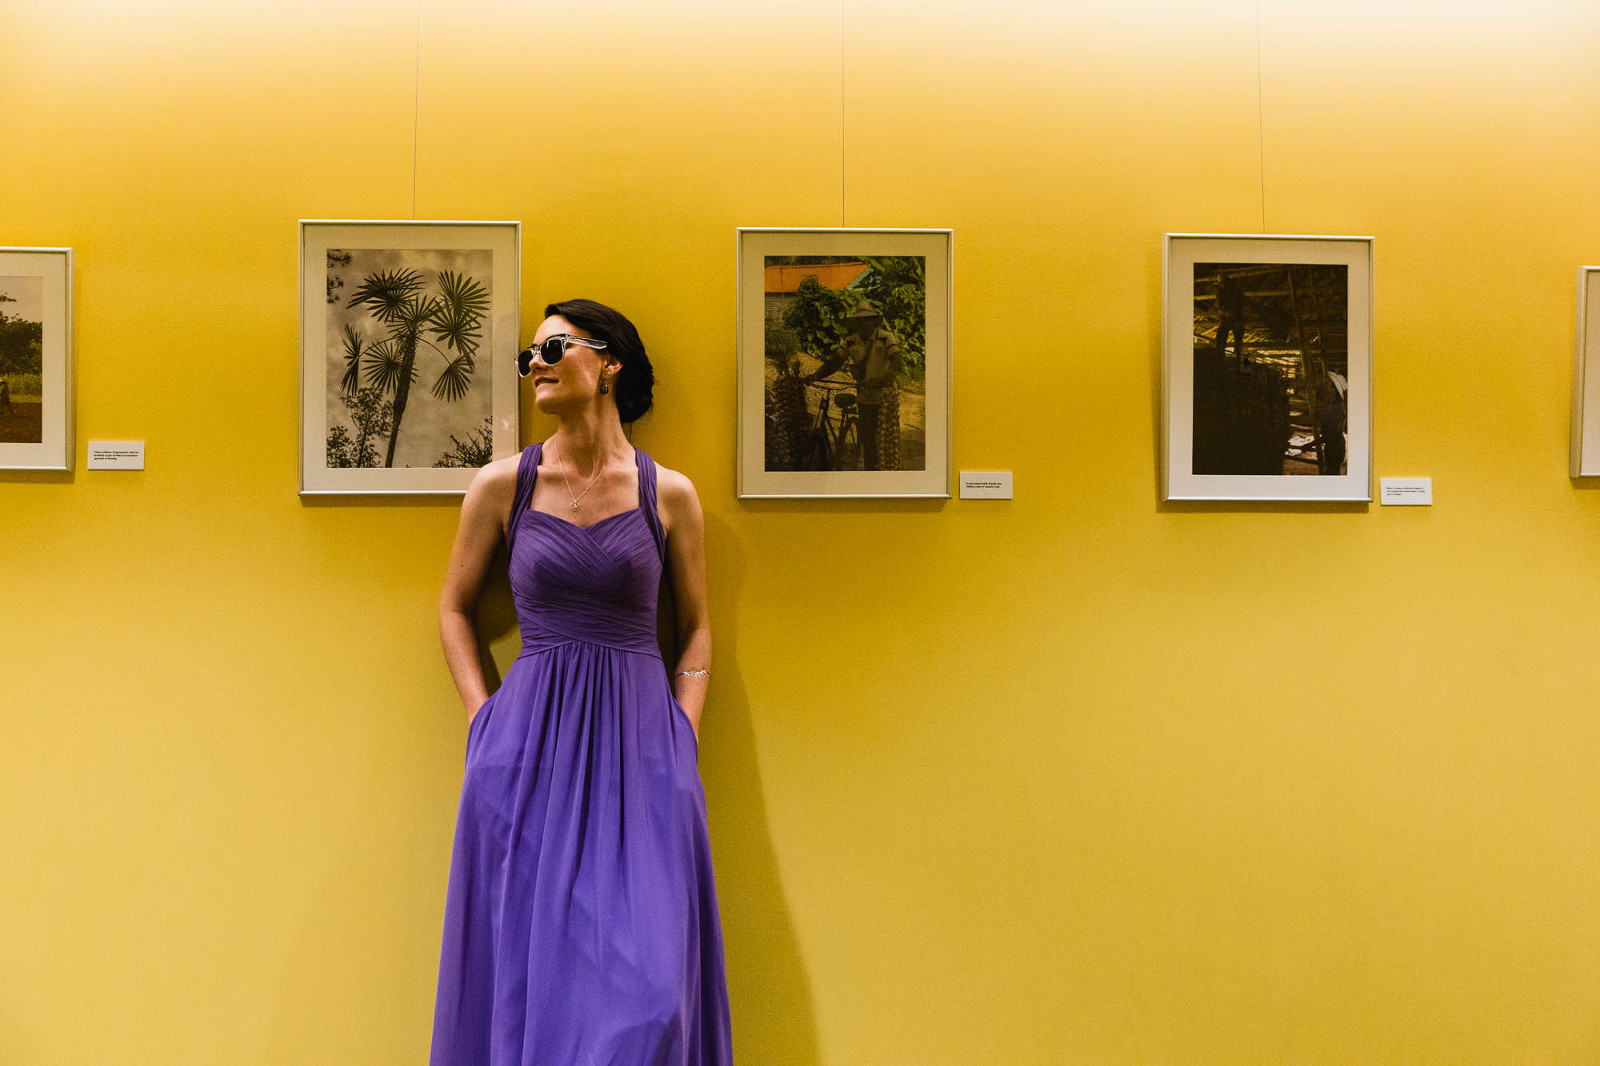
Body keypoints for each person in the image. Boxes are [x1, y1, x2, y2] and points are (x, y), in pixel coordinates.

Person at [430, 299, 732, 1064]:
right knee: (529, 985)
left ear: (609, 364)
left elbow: (694, 626)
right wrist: (483, 721)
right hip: (524, 756)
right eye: (527, 355)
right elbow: (453, 610)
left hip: (643, 755)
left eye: (553, 348)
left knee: (653, 1001)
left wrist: (682, 729)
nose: (534, 364)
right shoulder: (503, 486)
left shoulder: (671, 494)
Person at [838, 301, 902, 470]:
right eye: (860, 320)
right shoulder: (850, 342)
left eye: (867, 320)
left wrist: (886, 379)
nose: (864, 324)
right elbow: (835, 361)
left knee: (886, 442)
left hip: (885, 398)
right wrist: (815, 375)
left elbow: (897, 361)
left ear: (874, 321)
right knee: (869, 443)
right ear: (856, 323)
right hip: (864, 398)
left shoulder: (885, 338)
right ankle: (871, 477)